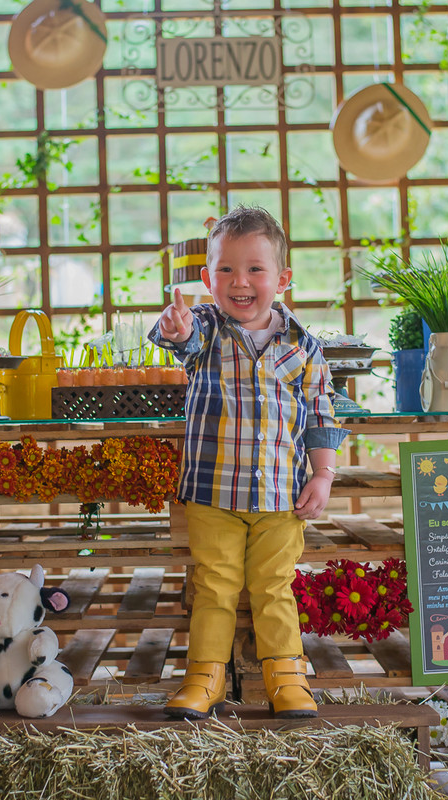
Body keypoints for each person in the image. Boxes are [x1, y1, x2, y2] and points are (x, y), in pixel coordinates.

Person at [149, 206, 348, 719]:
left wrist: (323, 475)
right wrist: (175, 327)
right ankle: (205, 678)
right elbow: (182, 341)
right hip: (212, 494)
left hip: (281, 497)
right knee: (213, 586)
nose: (240, 282)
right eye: (226, 270)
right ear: (206, 277)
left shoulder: (305, 345)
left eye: (255, 269)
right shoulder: (207, 331)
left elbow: (321, 415)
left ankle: (286, 678)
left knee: (274, 587)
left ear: (281, 279)